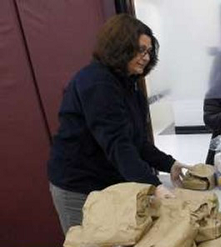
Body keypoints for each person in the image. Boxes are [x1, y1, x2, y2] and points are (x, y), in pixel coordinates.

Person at [48, 14, 189, 234]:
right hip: (78, 185)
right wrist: (155, 186)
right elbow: (118, 144)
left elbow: (137, 142)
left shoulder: (130, 85)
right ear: (120, 47)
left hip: (109, 181)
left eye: (149, 51)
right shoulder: (96, 82)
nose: (145, 57)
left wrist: (169, 164)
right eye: (140, 50)